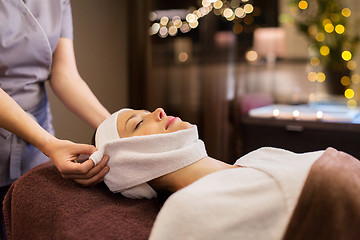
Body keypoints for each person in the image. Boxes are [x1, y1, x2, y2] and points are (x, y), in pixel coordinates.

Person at [92, 108, 360, 240]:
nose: (158, 111)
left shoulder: (261, 156)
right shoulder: (184, 210)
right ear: (129, 162)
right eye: (139, 122)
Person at [1, 1, 110, 238]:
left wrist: (114, 126)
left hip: (34, 146)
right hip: (40, 139)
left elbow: (65, 75)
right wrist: (49, 144)